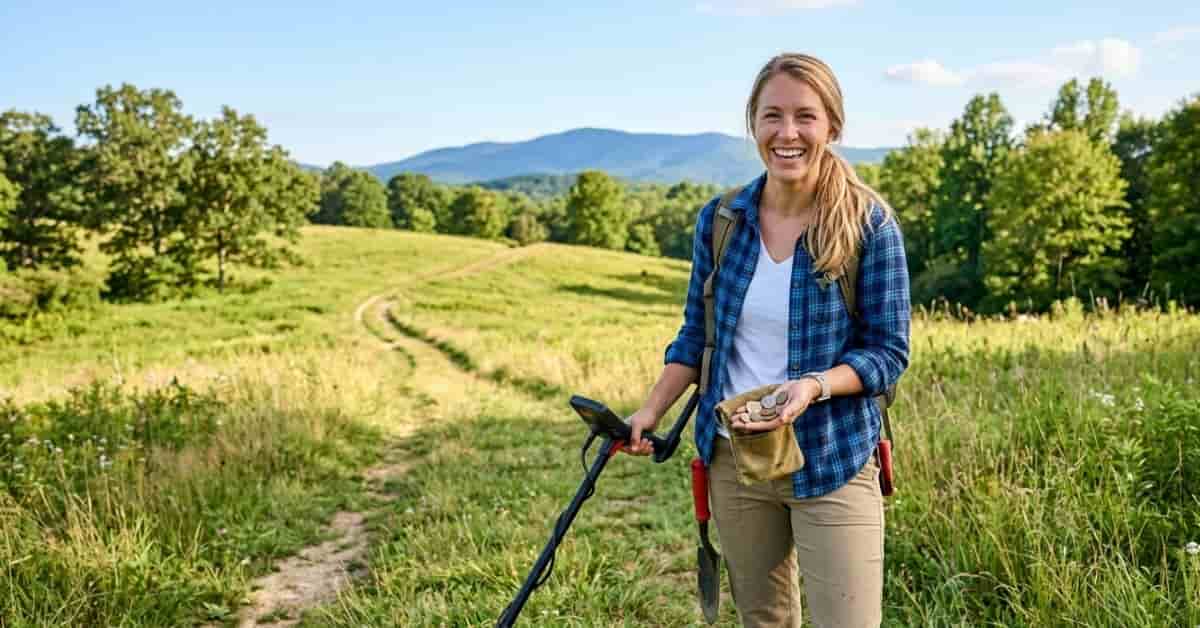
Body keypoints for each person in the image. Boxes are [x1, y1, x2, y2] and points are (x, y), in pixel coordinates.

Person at [625, 53, 911, 628]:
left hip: (833, 454)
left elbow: (888, 352)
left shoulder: (868, 224)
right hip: (736, 457)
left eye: (805, 116)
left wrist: (811, 387)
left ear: (832, 125)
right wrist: (650, 410)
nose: (787, 133)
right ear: (752, 123)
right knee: (764, 622)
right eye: (771, 115)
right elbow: (696, 335)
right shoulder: (723, 219)